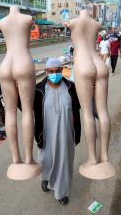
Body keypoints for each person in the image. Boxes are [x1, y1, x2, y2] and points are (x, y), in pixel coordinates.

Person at [34, 58, 81, 205]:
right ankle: (46, 178)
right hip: (45, 134)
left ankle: (61, 192)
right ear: (46, 72)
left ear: (62, 71)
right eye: (51, 72)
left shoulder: (71, 87)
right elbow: (28, 110)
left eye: (57, 71)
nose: (55, 74)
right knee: (46, 160)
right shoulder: (38, 90)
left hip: (66, 134)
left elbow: (78, 108)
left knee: (63, 163)